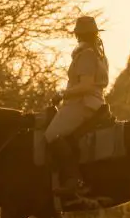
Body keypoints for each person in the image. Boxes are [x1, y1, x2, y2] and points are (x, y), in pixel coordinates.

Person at [44, 16, 110, 196]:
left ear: (78, 35)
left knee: (51, 135)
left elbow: (86, 85)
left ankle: (74, 179)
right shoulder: (97, 53)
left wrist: (61, 94)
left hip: (83, 103)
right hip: (95, 102)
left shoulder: (87, 54)